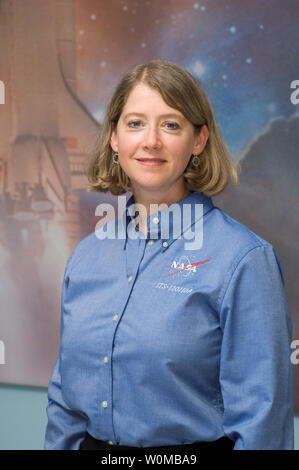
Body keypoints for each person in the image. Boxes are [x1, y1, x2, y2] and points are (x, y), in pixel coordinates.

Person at [44, 60, 294, 450]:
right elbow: (65, 400)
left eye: (171, 125)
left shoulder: (243, 260)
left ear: (199, 141)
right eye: (135, 123)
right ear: (114, 138)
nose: (151, 141)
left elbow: (262, 424)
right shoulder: (87, 256)